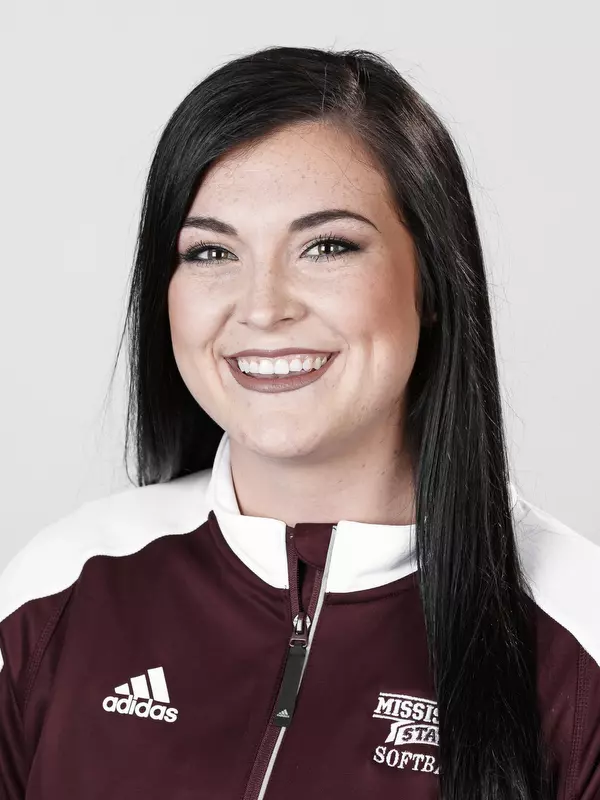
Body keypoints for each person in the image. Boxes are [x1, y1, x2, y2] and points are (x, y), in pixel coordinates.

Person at [0, 45, 598, 800]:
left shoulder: (580, 633)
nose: (262, 306)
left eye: (327, 246)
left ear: (435, 282)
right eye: (212, 251)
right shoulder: (59, 589)